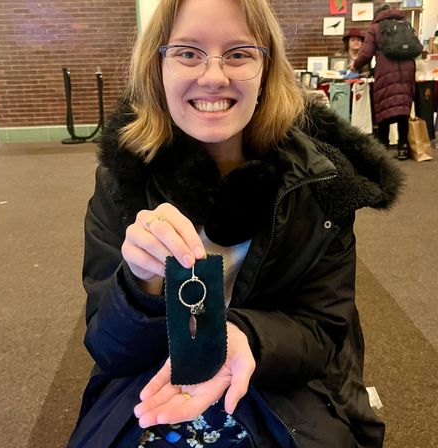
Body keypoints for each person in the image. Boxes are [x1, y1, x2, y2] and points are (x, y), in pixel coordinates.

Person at [67, 0, 404, 446]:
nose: (213, 76)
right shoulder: (124, 179)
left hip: (282, 386)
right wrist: (142, 284)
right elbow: (108, 348)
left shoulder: (320, 182)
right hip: (152, 382)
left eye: (239, 53)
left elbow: (323, 330)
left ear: (267, 70)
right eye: (188, 52)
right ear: (158, 68)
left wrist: (245, 337)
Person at [352, 4, 421, 160]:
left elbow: (366, 53)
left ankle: (382, 148)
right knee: (403, 108)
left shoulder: (376, 27)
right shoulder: (405, 23)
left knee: (384, 109)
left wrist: (355, 66)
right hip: (407, 71)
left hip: (386, 70)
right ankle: (403, 147)